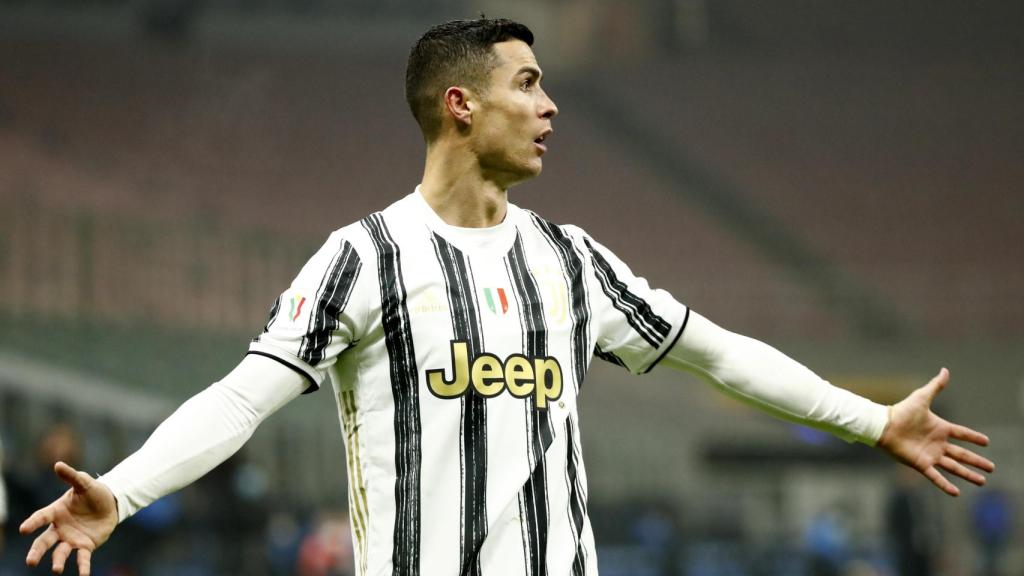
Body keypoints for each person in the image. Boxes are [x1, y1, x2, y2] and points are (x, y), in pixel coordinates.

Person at [20, 18, 995, 576]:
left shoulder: (571, 262)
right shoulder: (364, 258)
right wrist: (128, 492)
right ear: (460, 105)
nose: (549, 105)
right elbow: (242, 396)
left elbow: (718, 351)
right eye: (526, 84)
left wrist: (873, 423)